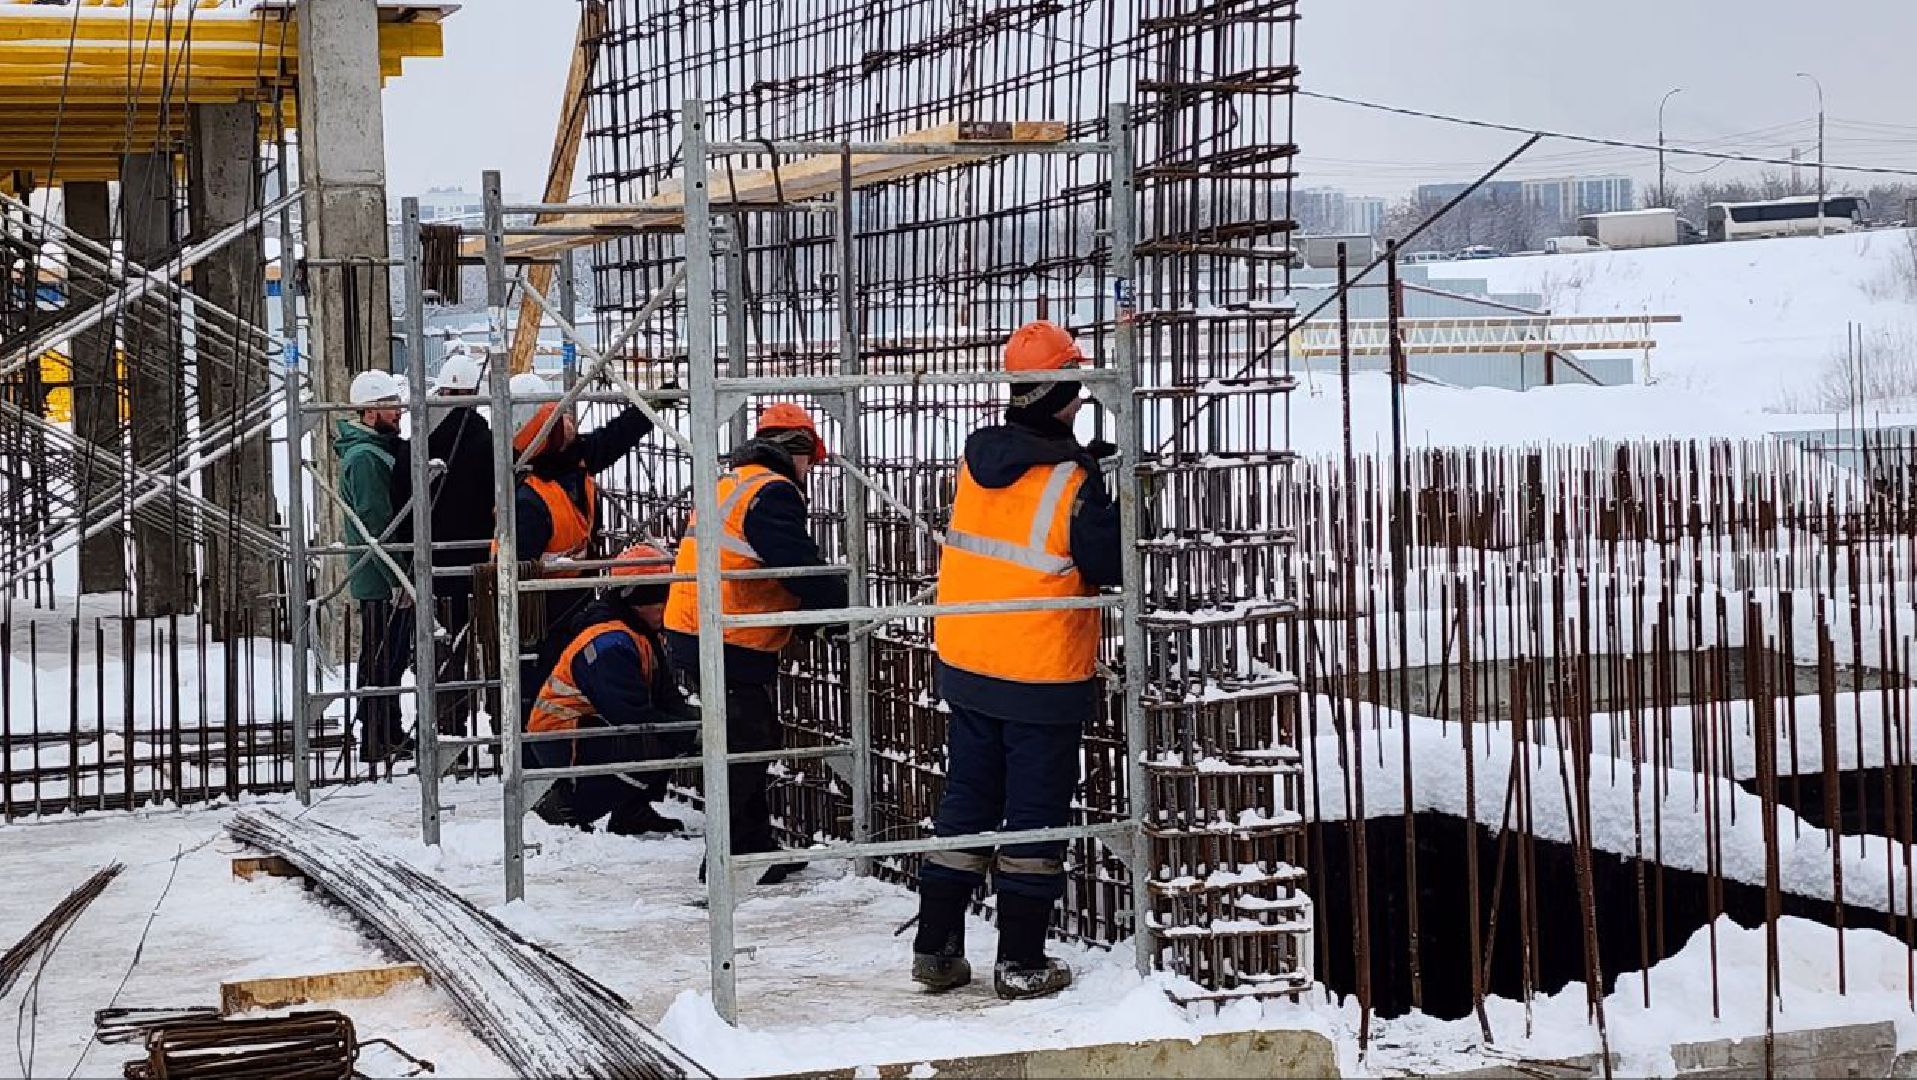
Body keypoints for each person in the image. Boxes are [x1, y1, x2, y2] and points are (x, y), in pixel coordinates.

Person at [911, 320, 1122, 1000]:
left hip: (969, 660)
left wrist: (1081, 466)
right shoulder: (1072, 480)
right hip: (1039, 672)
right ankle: (1021, 961)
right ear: (1066, 392)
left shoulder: (977, 463)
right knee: (1034, 817)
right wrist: (1109, 495)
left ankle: (936, 951)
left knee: (967, 801)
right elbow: (1106, 564)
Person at [663, 403, 848, 884]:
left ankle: (753, 849)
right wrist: (842, 609)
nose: (811, 471)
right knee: (746, 746)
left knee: (748, 738)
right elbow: (796, 564)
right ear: (798, 449)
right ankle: (725, 861)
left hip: (698, 626)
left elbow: (757, 567)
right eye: (811, 459)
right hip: (727, 634)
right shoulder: (772, 492)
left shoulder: (733, 482)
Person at [506, 372, 656, 718]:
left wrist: (645, 410)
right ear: (545, 435)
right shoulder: (530, 497)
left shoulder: (569, 463)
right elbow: (516, 568)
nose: (571, 422)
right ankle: (534, 750)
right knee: (540, 683)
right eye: (560, 420)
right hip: (543, 610)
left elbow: (610, 440)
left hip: (574, 597)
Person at [527, 542, 694, 836]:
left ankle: (632, 811)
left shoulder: (639, 632)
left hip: (584, 728)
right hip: (564, 738)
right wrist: (690, 730)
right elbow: (630, 716)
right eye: (664, 599)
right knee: (651, 743)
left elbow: (665, 697)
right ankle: (567, 806)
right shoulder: (609, 642)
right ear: (640, 599)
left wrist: (694, 724)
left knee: (671, 734)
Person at [337, 368, 417, 763]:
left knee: (389, 656)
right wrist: (397, 576)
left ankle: (387, 732)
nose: (399, 412)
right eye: (390, 406)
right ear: (370, 413)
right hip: (381, 578)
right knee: (383, 656)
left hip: (382, 575)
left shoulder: (373, 449)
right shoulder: (366, 458)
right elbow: (376, 523)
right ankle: (377, 737)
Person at [424, 351, 496, 737]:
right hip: (482, 561)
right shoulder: (486, 440)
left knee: (449, 648)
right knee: (493, 646)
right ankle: (502, 728)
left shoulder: (429, 440)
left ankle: (451, 727)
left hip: (438, 562)